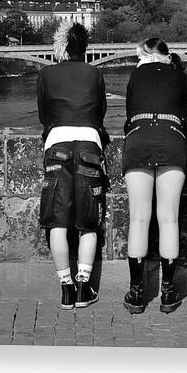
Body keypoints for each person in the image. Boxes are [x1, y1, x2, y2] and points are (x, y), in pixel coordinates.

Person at [37, 22, 109, 310]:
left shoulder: (46, 74)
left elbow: (44, 116)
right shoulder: (95, 73)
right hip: (90, 143)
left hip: (57, 144)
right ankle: (83, 287)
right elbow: (100, 112)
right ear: (84, 47)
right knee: (89, 222)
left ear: (61, 45)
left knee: (57, 220)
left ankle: (66, 288)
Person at [121, 38, 187, 314]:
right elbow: (183, 115)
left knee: (139, 217)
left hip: (138, 138)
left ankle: (137, 292)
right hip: (172, 139)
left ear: (148, 55)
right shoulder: (181, 77)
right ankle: (168, 292)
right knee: (169, 218)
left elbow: (129, 113)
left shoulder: (136, 75)